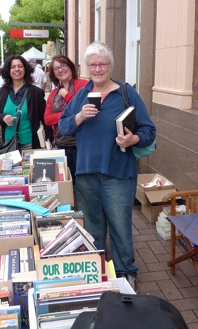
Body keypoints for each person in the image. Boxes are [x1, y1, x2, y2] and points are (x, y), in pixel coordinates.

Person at [59, 42, 156, 293]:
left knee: (120, 226)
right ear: (87, 68)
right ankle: (100, 269)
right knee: (93, 226)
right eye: (93, 64)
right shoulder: (81, 95)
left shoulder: (126, 93)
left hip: (118, 172)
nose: (98, 68)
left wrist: (134, 139)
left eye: (102, 63)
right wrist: (79, 116)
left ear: (110, 66)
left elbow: (148, 130)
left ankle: (125, 273)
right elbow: (64, 126)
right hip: (86, 172)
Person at [0, 55, 53, 153]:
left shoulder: (36, 93)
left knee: (28, 168)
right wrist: (3, 117)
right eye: (13, 67)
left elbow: (45, 119)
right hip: (8, 144)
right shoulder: (2, 92)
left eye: (20, 66)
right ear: (8, 70)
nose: (17, 69)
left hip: (30, 144)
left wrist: (50, 140)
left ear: (25, 69)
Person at [44, 54, 88, 185]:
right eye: (56, 69)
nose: (60, 70)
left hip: (81, 144)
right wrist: (68, 116)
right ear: (53, 74)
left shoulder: (83, 85)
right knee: (68, 183)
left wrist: (67, 95)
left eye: (63, 65)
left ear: (70, 67)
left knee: (84, 183)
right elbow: (47, 119)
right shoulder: (53, 93)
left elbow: (85, 109)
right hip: (62, 144)